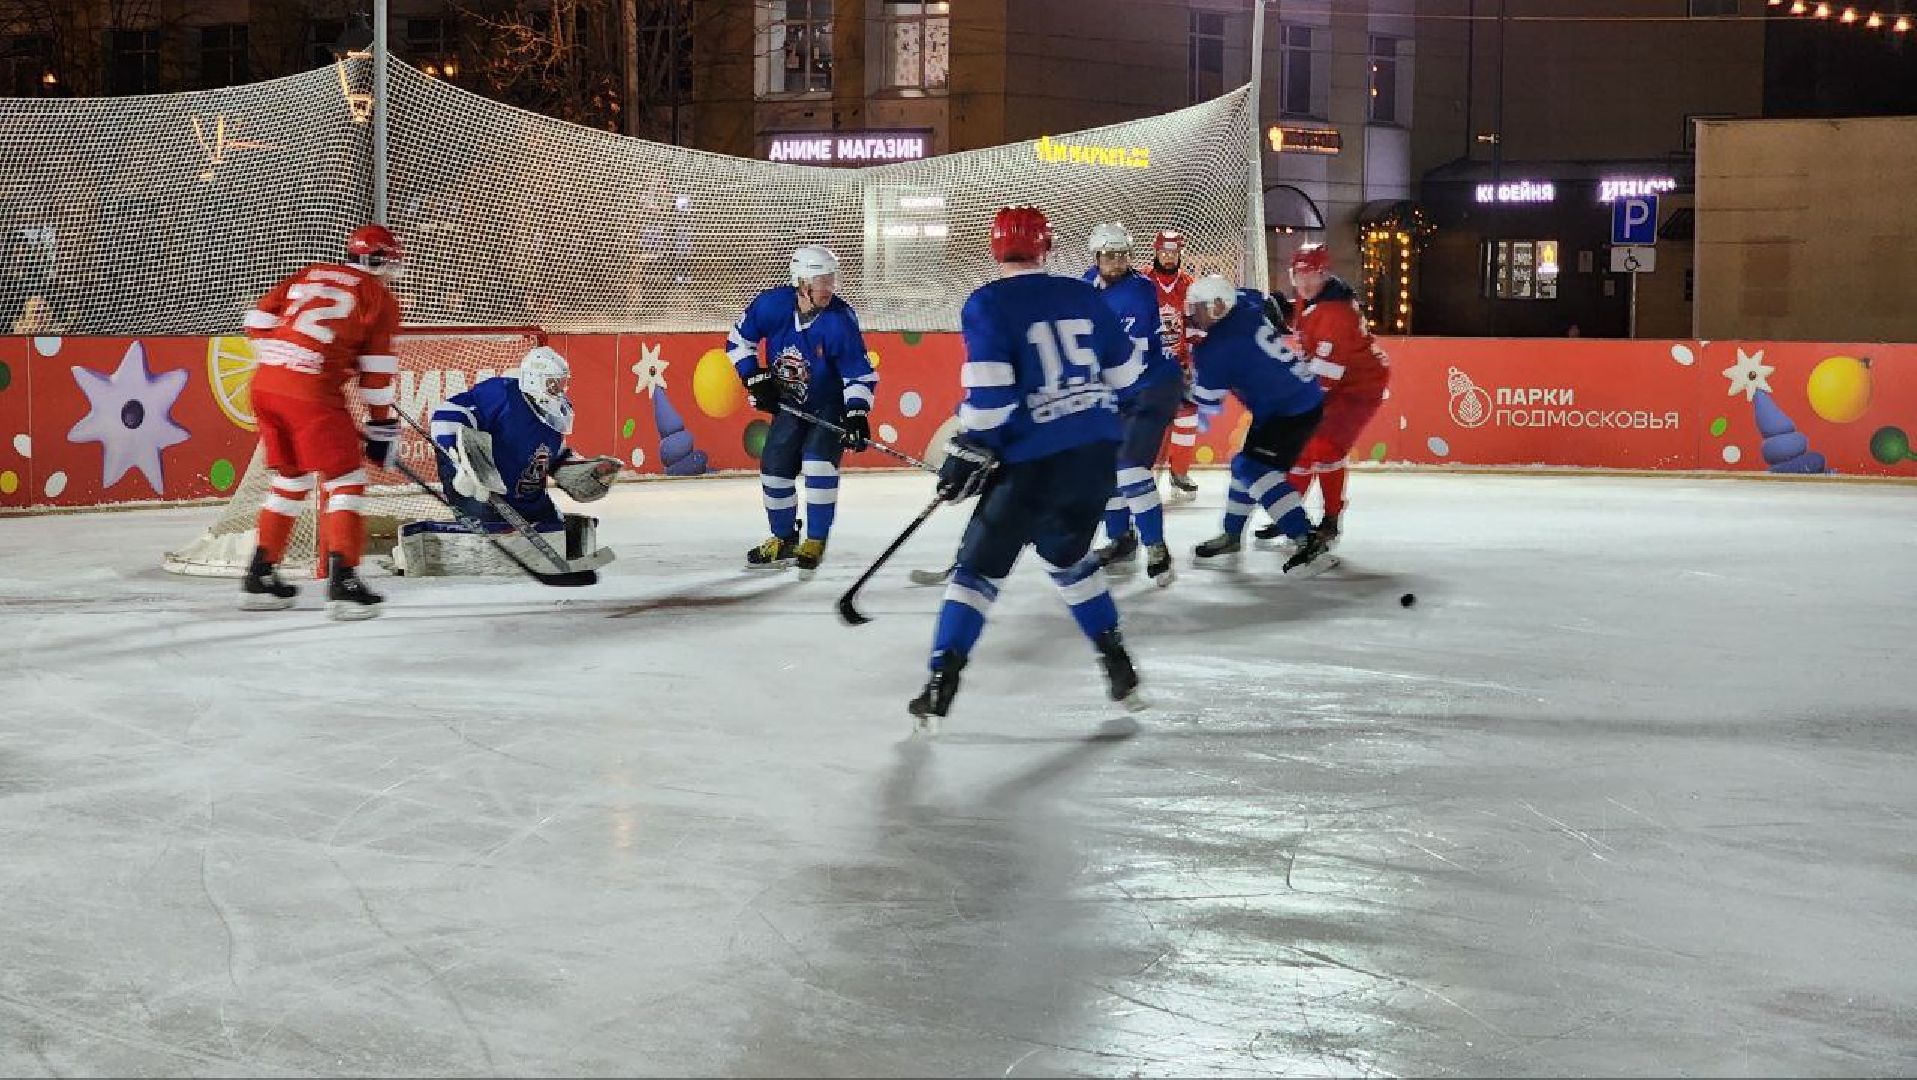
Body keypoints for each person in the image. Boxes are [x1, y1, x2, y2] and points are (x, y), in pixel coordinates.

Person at [910, 205, 1145, 723]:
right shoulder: (1085, 294)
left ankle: (940, 679)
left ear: (996, 249)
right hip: (1094, 457)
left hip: (1031, 462)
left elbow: (991, 398)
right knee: (1068, 561)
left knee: (975, 573)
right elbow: (1128, 374)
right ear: (1049, 246)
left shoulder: (987, 303)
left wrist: (968, 450)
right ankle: (1117, 660)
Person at [240, 224, 405, 620]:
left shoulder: (311, 272)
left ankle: (260, 576)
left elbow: (256, 323)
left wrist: (290, 357)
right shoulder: (377, 297)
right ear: (380, 259)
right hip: (309, 393)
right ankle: (344, 583)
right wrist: (381, 425)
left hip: (265, 384)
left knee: (291, 479)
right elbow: (376, 371)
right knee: (346, 479)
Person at [726, 245, 877, 579]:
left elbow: (859, 374)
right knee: (774, 469)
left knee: (817, 464)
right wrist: (754, 378)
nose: (829, 288)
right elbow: (738, 342)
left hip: (829, 406)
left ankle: (815, 541)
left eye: (831, 280)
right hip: (790, 405)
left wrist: (856, 413)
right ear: (801, 283)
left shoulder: (840, 320)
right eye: (822, 281)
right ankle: (783, 539)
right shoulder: (771, 306)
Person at [413, 344, 621, 573]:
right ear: (534, 380)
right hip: (480, 489)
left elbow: (553, 452)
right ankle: (426, 546)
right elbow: (446, 415)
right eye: (553, 383)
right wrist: (460, 463)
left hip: (527, 494)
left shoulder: (557, 412)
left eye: (562, 383)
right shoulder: (503, 394)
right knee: (493, 533)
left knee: (556, 530)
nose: (559, 390)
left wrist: (575, 469)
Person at [1184, 275, 1337, 576]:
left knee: (1253, 469)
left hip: (1288, 410)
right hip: (1291, 400)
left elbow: (1207, 403)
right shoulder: (1244, 305)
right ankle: (1231, 534)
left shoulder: (1216, 349)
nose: (1192, 314)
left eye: (1198, 308)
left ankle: (1306, 540)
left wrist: (1179, 386)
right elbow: (1258, 297)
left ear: (1217, 307)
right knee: (1245, 465)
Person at [1254, 243, 1389, 552]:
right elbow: (1307, 332)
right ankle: (1292, 514)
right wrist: (1282, 311)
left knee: (1324, 445)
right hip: (1334, 380)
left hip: (1359, 388)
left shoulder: (1336, 313)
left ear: (1323, 273)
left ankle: (1330, 518)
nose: (1303, 282)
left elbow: (1326, 375)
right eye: (1298, 274)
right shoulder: (1312, 297)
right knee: (1301, 448)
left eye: (1311, 274)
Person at [1081, 223, 1184, 586]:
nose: (1117, 262)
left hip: (1151, 386)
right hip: (1121, 390)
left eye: (1123, 255)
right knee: (1105, 467)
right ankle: (1122, 540)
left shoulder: (1138, 291)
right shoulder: (1087, 284)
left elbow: (1128, 358)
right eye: (1110, 255)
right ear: (1096, 257)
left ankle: (1157, 547)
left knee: (1128, 469)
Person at [1144, 230, 1201, 502]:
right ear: (1156, 252)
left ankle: (1180, 472)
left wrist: (1191, 361)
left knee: (1187, 418)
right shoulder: (1142, 282)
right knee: (1153, 421)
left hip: (1180, 365)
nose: (1168, 257)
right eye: (1164, 252)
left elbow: (1195, 326)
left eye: (1173, 253)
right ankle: (1146, 475)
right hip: (1151, 365)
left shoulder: (1189, 284)